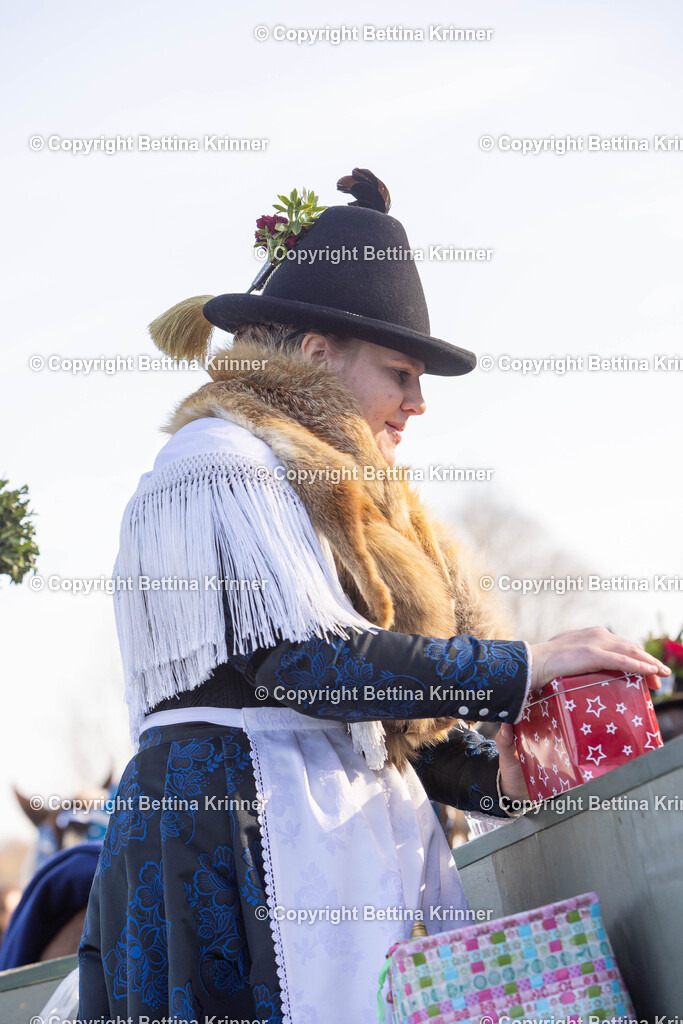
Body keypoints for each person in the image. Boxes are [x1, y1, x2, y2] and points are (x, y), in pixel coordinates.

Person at [77, 169, 670, 1024]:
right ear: (318, 356)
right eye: (400, 372)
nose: (417, 403)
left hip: (330, 836)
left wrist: (495, 777)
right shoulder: (217, 461)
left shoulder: (324, 485)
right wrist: (524, 665)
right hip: (237, 839)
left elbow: (361, 723)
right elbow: (302, 668)